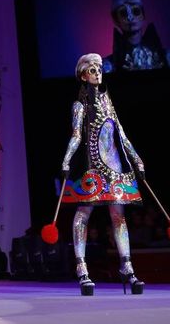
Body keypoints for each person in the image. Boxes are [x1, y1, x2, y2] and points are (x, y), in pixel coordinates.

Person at [61, 53, 145, 295]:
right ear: (82, 75)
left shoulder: (109, 101)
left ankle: (127, 267)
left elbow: (121, 134)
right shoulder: (79, 105)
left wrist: (137, 159)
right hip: (91, 167)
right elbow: (76, 135)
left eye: (99, 68)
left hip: (115, 167)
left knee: (119, 216)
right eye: (91, 69)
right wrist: (66, 160)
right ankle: (82, 269)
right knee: (83, 212)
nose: (97, 72)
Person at [102, 0, 170, 72]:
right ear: (116, 20)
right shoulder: (108, 65)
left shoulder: (167, 56)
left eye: (136, 11)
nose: (130, 18)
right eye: (123, 13)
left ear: (143, 15)